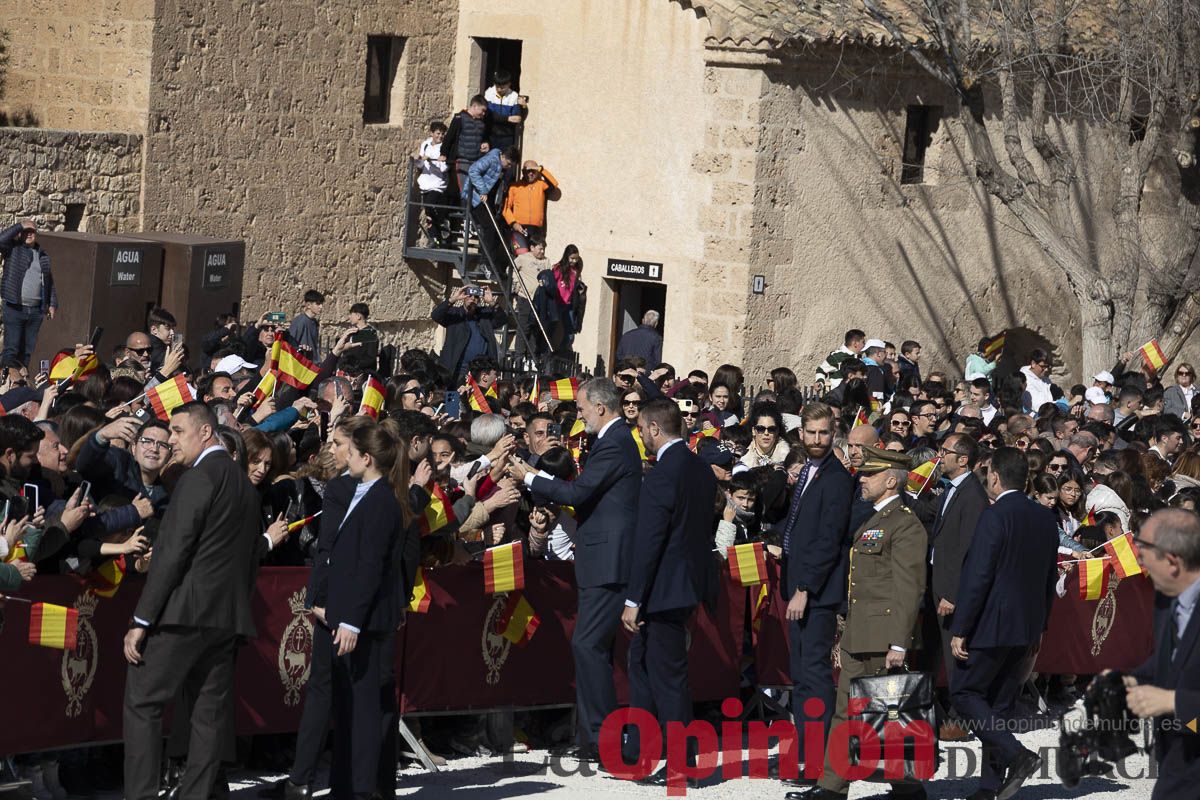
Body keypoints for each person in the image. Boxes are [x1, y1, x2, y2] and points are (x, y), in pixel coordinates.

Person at [121, 402, 262, 800]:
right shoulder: (243, 484)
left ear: (205, 432)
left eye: (178, 431)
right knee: (207, 714)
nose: (171, 440)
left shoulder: (199, 477)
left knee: (143, 703)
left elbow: (172, 551)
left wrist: (142, 619)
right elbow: (250, 560)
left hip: (183, 614)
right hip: (225, 618)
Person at [510, 378, 642, 759]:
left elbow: (579, 493)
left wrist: (531, 477)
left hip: (608, 560)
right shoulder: (611, 441)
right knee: (592, 648)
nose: (579, 417)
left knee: (588, 644)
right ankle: (593, 737)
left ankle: (603, 738)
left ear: (600, 407)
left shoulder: (615, 443)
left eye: (582, 409)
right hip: (599, 558)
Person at [796, 445, 927, 800]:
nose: (862, 479)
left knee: (891, 718)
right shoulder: (871, 519)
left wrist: (899, 642)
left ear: (889, 480)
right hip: (860, 633)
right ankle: (832, 788)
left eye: (869, 474)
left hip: (884, 637)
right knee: (846, 715)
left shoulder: (905, 524)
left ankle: (908, 787)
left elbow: (908, 587)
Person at [312, 422, 418, 800]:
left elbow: (370, 566)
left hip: (366, 623)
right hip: (351, 617)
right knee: (348, 709)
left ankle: (363, 788)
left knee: (363, 712)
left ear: (366, 458)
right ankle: (346, 786)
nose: (346, 458)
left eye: (352, 453)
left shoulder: (380, 500)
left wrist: (352, 621)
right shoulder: (366, 493)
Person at [949, 447, 1059, 800]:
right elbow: (1049, 578)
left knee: (965, 694)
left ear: (994, 476)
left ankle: (1016, 755)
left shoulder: (994, 516)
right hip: (1026, 626)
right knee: (997, 706)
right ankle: (989, 786)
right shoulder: (1045, 518)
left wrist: (961, 628)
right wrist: (1041, 626)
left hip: (990, 625)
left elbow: (978, 576)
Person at [620, 398, 717, 785]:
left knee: (668, 678)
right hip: (685, 585)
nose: (641, 435)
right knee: (642, 666)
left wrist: (633, 599)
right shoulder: (700, 469)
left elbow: (650, 540)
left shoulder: (662, 474)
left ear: (656, 429)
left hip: (663, 590)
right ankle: (636, 753)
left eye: (643, 429)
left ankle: (683, 763)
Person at [774, 401, 853, 783]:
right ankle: (807, 755)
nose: (818, 440)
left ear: (833, 433)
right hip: (798, 585)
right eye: (812, 433)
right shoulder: (808, 470)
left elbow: (828, 540)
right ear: (801, 434)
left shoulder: (837, 477)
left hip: (815, 593)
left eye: (824, 433)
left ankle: (820, 761)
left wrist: (804, 588)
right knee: (801, 675)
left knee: (815, 674)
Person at [1125, 508, 1200, 799]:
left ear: (1172, 561)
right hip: (1178, 764)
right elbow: (1168, 660)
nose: (1138, 559)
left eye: (1143, 550)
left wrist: (1174, 701)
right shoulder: (1166, 599)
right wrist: (1129, 680)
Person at [929, 433, 989, 736]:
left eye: (945, 451)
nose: (940, 456)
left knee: (956, 659)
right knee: (934, 653)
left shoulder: (973, 496)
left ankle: (961, 719)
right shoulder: (952, 489)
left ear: (963, 459)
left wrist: (952, 594)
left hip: (951, 592)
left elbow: (968, 549)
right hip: (936, 583)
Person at [0, 218, 57, 365]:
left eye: (32, 231)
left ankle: (22, 383)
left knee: (26, 352)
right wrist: (20, 225)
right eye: (25, 232)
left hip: (35, 312)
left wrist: (52, 303)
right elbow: (1, 239)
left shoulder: (43, 255)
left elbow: (49, 282)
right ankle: (7, 384)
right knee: (11, 350)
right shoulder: (13, 249)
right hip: (14, 309)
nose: (29, 234)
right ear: (20, 233)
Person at [461, 145, 519, 269]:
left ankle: (488, 261)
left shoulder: (501, 166)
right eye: (508, 164)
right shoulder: (492, 159)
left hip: (486, 201)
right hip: (474, 199)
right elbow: (473, 170)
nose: (508, 167)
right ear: (503, 157)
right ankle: (485, 262)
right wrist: (483, 190)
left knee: (495, 229)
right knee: (490, 227)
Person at [431, 286, 500, 383]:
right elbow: (436, 315)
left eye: (476, 297)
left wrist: (492, 302)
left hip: (479, 371)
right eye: (469, 295)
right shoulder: (455, 314)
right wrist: (452, 299)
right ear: (463, 297)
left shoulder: (484, 315)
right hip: (457, 370)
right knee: (454, 396)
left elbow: (502, 320)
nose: (472, 299)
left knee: (477, 397)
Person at [534, 244, 587, 355]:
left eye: (576, 259)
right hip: (557, 303)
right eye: (572, 258)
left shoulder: (575, 270)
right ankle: (546, 352)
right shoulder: (558, 268)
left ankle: (563, 353)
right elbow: (551, 284)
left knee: (570, 334)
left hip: (568, 305)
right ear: (567, 256)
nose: (574, 261)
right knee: (551, 329)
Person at [502, 160, 560, 254]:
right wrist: (513, 223)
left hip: (537, 230)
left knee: (536, 257)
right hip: (519, 228)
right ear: (523, 172)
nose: (531, 174)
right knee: (522, 256)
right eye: (528, 171)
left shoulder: (541, 185)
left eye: (534, 171)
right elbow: (506, 208)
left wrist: (541, 169)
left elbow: (554, 185)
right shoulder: (515, 187)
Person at [442, 94, 492, 193]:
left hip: (476, 161)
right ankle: (462, 208)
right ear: (475, 106)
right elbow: (449, 137)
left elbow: (486, 137)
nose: (483, 114)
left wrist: (486, 144)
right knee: (463, 189)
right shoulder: (459, 118)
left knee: (475, 190)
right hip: (462, 160)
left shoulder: (482, 122)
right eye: (482, 110)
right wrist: (443, 153)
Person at [415, 120, 452, 246]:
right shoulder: (425, 144)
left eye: (442, 134)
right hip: (425, 183)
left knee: (430, 205)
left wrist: (432, 161)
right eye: (438, 133)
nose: (440, 136)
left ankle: (443, 223)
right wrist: (418, 160)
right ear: (431, 133)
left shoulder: (444, 147)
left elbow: (444, 168)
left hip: (437, 184)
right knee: (428, 212)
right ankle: (435, 237)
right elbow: (420, 164)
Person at [484, 70, 528, 152]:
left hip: (507, 136)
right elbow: (489, 115)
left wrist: (524, 107)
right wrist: (507, 118)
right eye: (497, 87)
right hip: (491, 134)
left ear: (509, 84)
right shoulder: (489, 93)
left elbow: (517, 118)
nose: (499, 90)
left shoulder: (513, 96)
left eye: (503, 87)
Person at [289, 290, 324, 358]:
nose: (321, 307)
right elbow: (291, 343)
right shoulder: (300, 321)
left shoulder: (315, 322)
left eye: (321, 304)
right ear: (308, 305)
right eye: (318, 304)